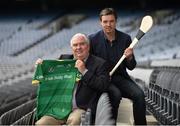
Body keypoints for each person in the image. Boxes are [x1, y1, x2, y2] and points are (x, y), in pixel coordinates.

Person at [35, 33, 110, 125]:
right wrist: (42, 68)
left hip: (81, 109)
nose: (78, 47)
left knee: (74, 121)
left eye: (82, 44)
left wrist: (84, 71)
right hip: (59, 109)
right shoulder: (64, 59)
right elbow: (52, 76)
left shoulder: (99, 64)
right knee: (41, 123)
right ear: (72, 48)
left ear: (88, 46)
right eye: (75, 45)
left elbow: (103, 86)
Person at [88, 8, 147, 125]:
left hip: (120, 78)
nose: (108, 24)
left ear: (116, 21)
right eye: (105, 22)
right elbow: (89, 62)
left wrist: (130, 57)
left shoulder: (125, 38)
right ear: (100, 22)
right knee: (115, 94)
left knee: (139, 95)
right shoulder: (92, 40)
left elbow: (131, 66)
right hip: (103, 79)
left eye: (111, 21)